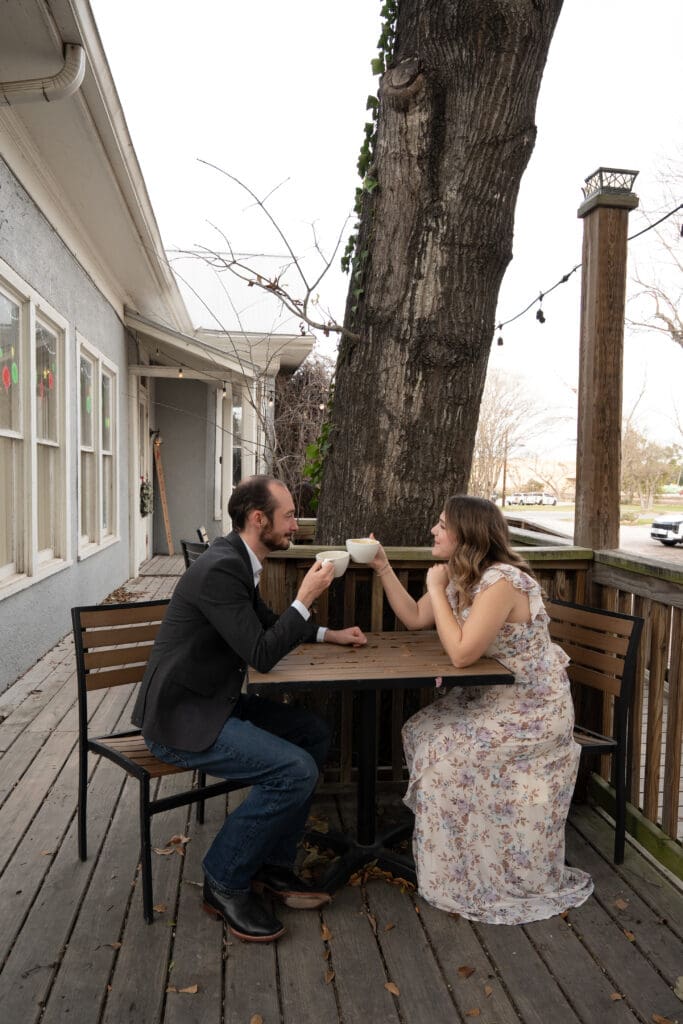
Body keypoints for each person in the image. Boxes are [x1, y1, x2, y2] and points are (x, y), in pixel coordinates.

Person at [132, 475, 366, 943]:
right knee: (295, 771)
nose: (295, 525)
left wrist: (328, 634)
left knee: (313, 733)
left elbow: (266, 625)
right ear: (259, 519)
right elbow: (261, 653)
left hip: (213, 703)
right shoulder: (222, 568)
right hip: (181, 719)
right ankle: (223, 879)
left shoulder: (238, 560)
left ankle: (273, 866)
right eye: (288, 516)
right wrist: (306, 597)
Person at [369, 495, 593, 925]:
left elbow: (461, 655)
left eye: (441, 524)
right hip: (495, 699)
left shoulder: (501, 582)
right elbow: (415, 617)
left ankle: (476, 870)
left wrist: (437, 588)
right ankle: (461, 851)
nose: (433, 531)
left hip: (533, 710)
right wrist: (382, 567)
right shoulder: (464, 576)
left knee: (445, 754)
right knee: (422, 729)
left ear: (465, 534)